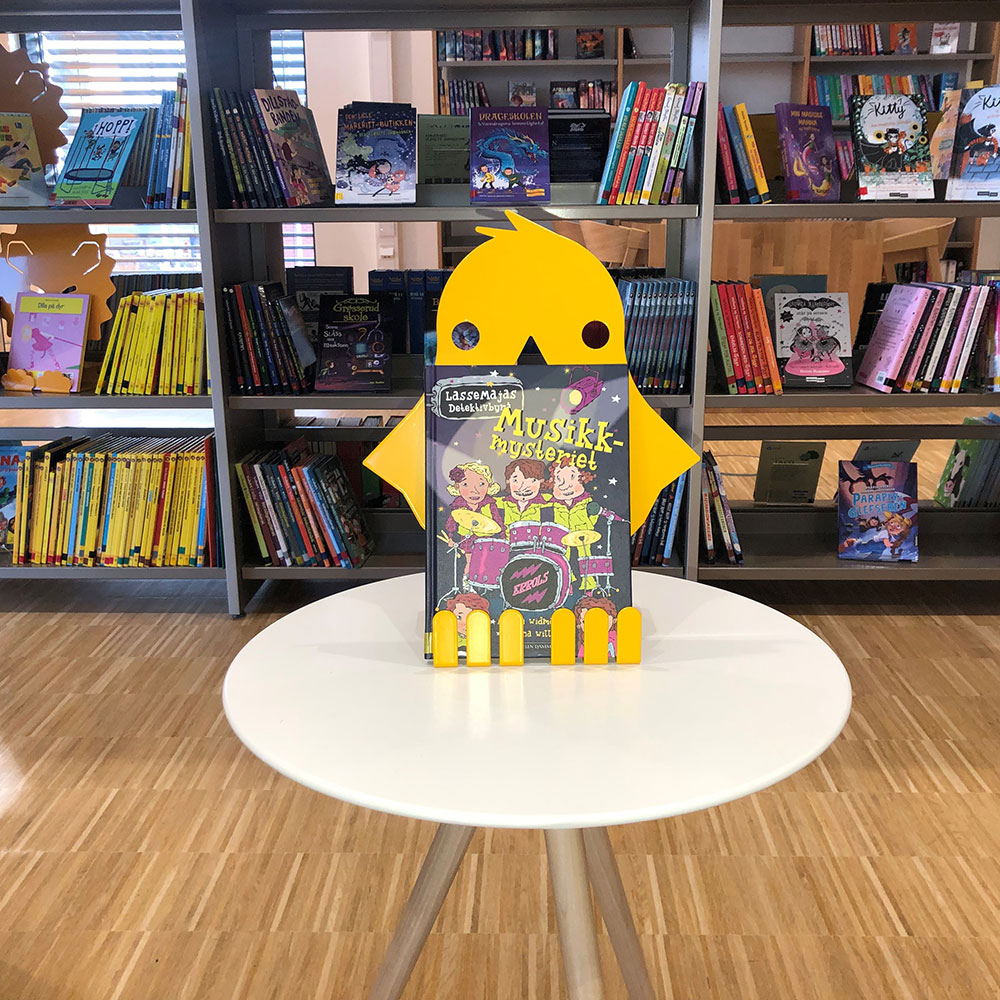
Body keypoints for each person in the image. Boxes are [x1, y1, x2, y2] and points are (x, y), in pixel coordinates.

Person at [496, 458, 551, 529]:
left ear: (541, 481)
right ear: (508, 481)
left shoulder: (551, 503)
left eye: (532, 481)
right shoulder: (497, 504)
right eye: (516, 480)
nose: (523, 487)